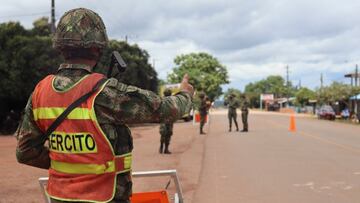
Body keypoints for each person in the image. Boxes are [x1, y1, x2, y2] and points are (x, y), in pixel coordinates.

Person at [15, 8, 193, 203]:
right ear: (97, 49)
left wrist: (68, 161)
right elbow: (167, 109)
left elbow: (25, 152)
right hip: (103, 196)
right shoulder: (105, 92)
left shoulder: (40, 91)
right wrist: (185, 93)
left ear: (60, 47)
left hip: (59, 196)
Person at [159, 88, 174, 154]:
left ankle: (161, 147)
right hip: (169, 120)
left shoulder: (161, 100)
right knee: (168, 134)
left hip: (163, 120)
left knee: (163, 134)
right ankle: (166, 149)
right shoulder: (171, 101)